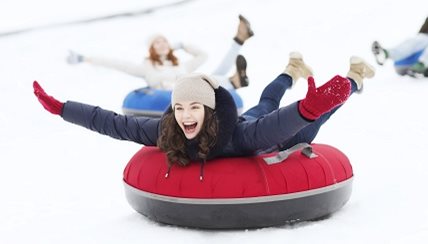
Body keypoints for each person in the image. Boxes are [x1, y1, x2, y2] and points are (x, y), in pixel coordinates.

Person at [33, 52, 375, 179]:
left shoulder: (238, 137)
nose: (185, 115)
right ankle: (292, 67)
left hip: (273, 134)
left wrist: (305, 110)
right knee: (267, 102)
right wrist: (63, 108)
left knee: (298, 110)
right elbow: (115, 123)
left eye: (194, 107)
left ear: (208, 111)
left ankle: (353, 78)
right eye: (180, 108)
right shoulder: (168, 131)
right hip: (249, 123)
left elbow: (273, 127)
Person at [66, 15, 254, 90]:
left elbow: (203, 56)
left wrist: (181, 45)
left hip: (195, 86)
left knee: (214, 74)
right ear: (151, 49)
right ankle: (233, 80)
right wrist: (84, 58)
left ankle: (239, 40)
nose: (162, 43)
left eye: (164, 40)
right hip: (176, 95)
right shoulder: (146, 67)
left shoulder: (180, 64)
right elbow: (116, 63)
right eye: (157, 42)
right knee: (212, 78)